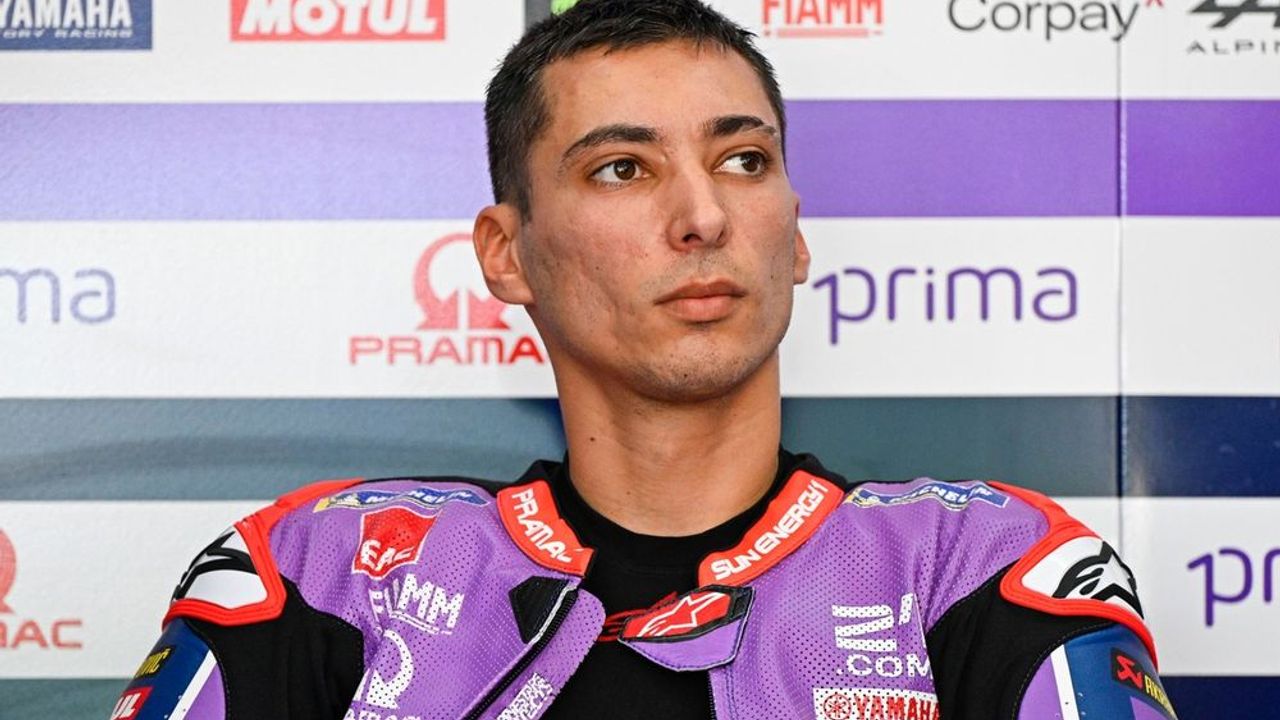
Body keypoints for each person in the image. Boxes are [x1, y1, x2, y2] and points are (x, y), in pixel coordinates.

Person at [111, 2, 1176, 719]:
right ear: (505, 254)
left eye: (743, 160)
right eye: (622, 168)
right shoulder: (321, 572)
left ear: (796, 234)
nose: (703, 215)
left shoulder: (984, 566)